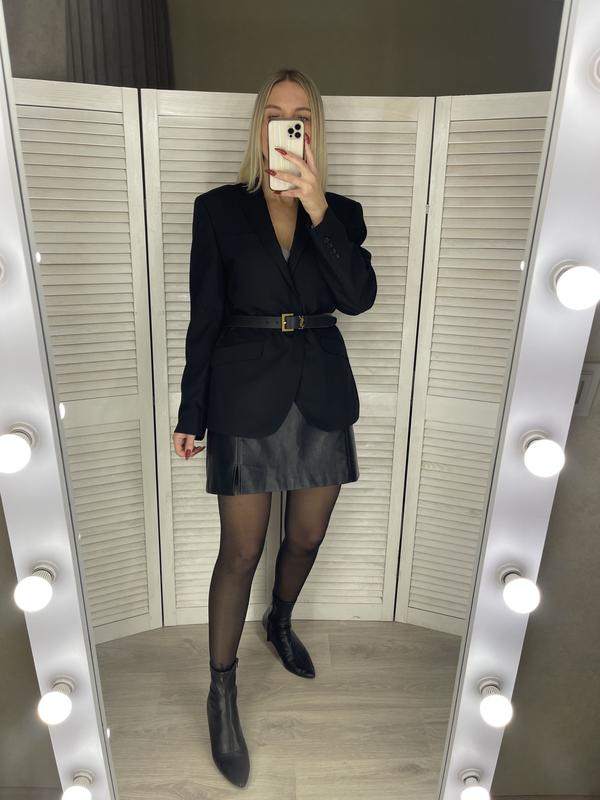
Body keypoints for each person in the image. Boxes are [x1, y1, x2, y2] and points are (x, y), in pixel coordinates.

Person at [172, 67, 377, 788]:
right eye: (277, 114)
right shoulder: (218, 210)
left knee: (306, 536)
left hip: (319, 388)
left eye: (302, 116)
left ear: (314, 129)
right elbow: (204, 317)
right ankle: (221, 691)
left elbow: (358, 298)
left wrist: (317, 208)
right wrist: (191, 412)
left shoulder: (342, 212)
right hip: (242, 392)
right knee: (241, 549)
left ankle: (280, 622)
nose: (289, 125)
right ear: (260, 125)